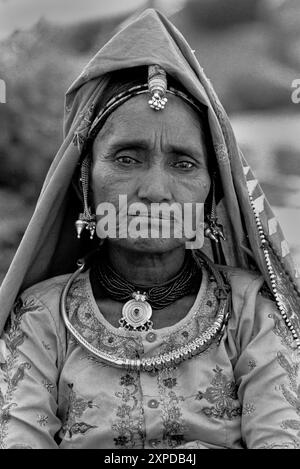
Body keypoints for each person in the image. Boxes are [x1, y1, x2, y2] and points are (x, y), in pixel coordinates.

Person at [0, 9, 300, 450]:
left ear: (211, 193)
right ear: (84, 179)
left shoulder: (252, 315)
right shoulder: (41, 321)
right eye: (127, 158)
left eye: (183, 163)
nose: (155, 191)